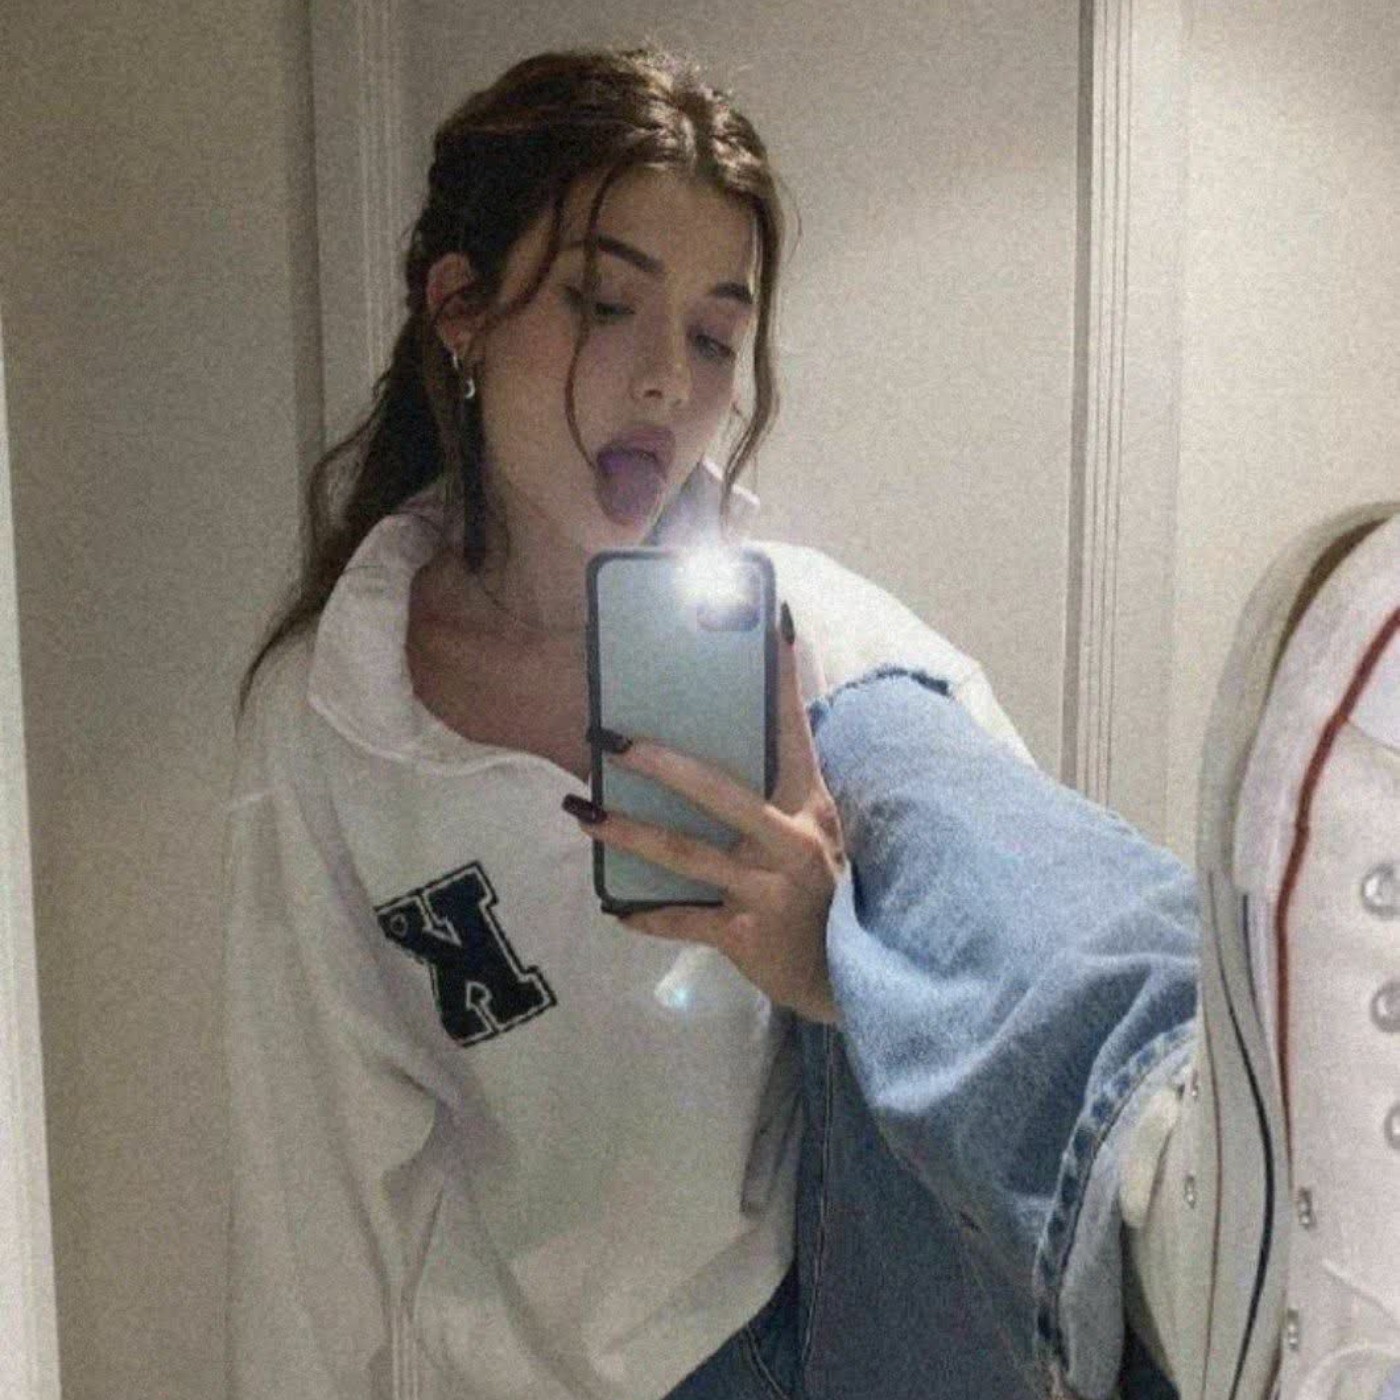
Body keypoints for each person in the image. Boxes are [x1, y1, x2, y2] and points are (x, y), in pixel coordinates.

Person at [224, 39, 1399, 1400]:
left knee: (890, 738)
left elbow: (1020, 939)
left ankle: (1179, 1172)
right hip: (576, 1367)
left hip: (868, 1279)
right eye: (607, 304)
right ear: (461, 309)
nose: (668, 384)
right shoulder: (337, 716)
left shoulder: (804, 636)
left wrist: (827, 957)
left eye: (713, 336)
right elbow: (313, 1181)